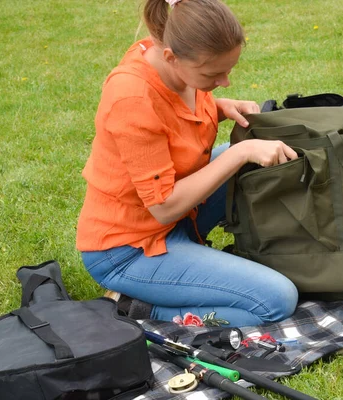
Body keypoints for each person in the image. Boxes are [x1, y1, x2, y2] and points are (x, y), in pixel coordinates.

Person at [76, 0, 299, 327]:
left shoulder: (175, 60)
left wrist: (222, 107)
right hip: (128, 250)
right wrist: (241, 152)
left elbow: (172, 121)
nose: (225, 81)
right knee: (276, 300)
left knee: (253, 163)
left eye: (229, 70)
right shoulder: (132, 97)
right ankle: (138, 307)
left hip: (177, 221)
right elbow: (163, 206)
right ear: (171, 57)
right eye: (214, 74)